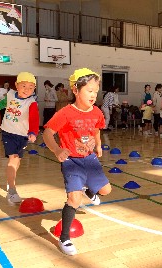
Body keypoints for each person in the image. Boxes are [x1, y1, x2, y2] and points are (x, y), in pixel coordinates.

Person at [42, 68, 111, 255]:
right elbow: (47, 133)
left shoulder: (97, 111)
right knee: (74, 198)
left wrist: (98, 145)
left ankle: (89, 189)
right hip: (71, 161)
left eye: (96, 91)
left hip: (90, 159)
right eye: (89, 90)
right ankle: (64, 239)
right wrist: (57, 149)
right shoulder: (65, 113)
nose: (93, 95)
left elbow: (97, 129)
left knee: (106, 191)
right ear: (75, 90)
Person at [0, 72, 39, 205]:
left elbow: (34, 119)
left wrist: (33, 132)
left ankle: (10, 179)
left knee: (17, 161)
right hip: (8, 132)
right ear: (16, 85)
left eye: (30, 87)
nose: (27, 90)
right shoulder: (10, 94)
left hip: (22, 136)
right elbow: (4, 103)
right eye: (23, 86)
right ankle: (12, 190)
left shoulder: (31, 103)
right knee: (13, 159)